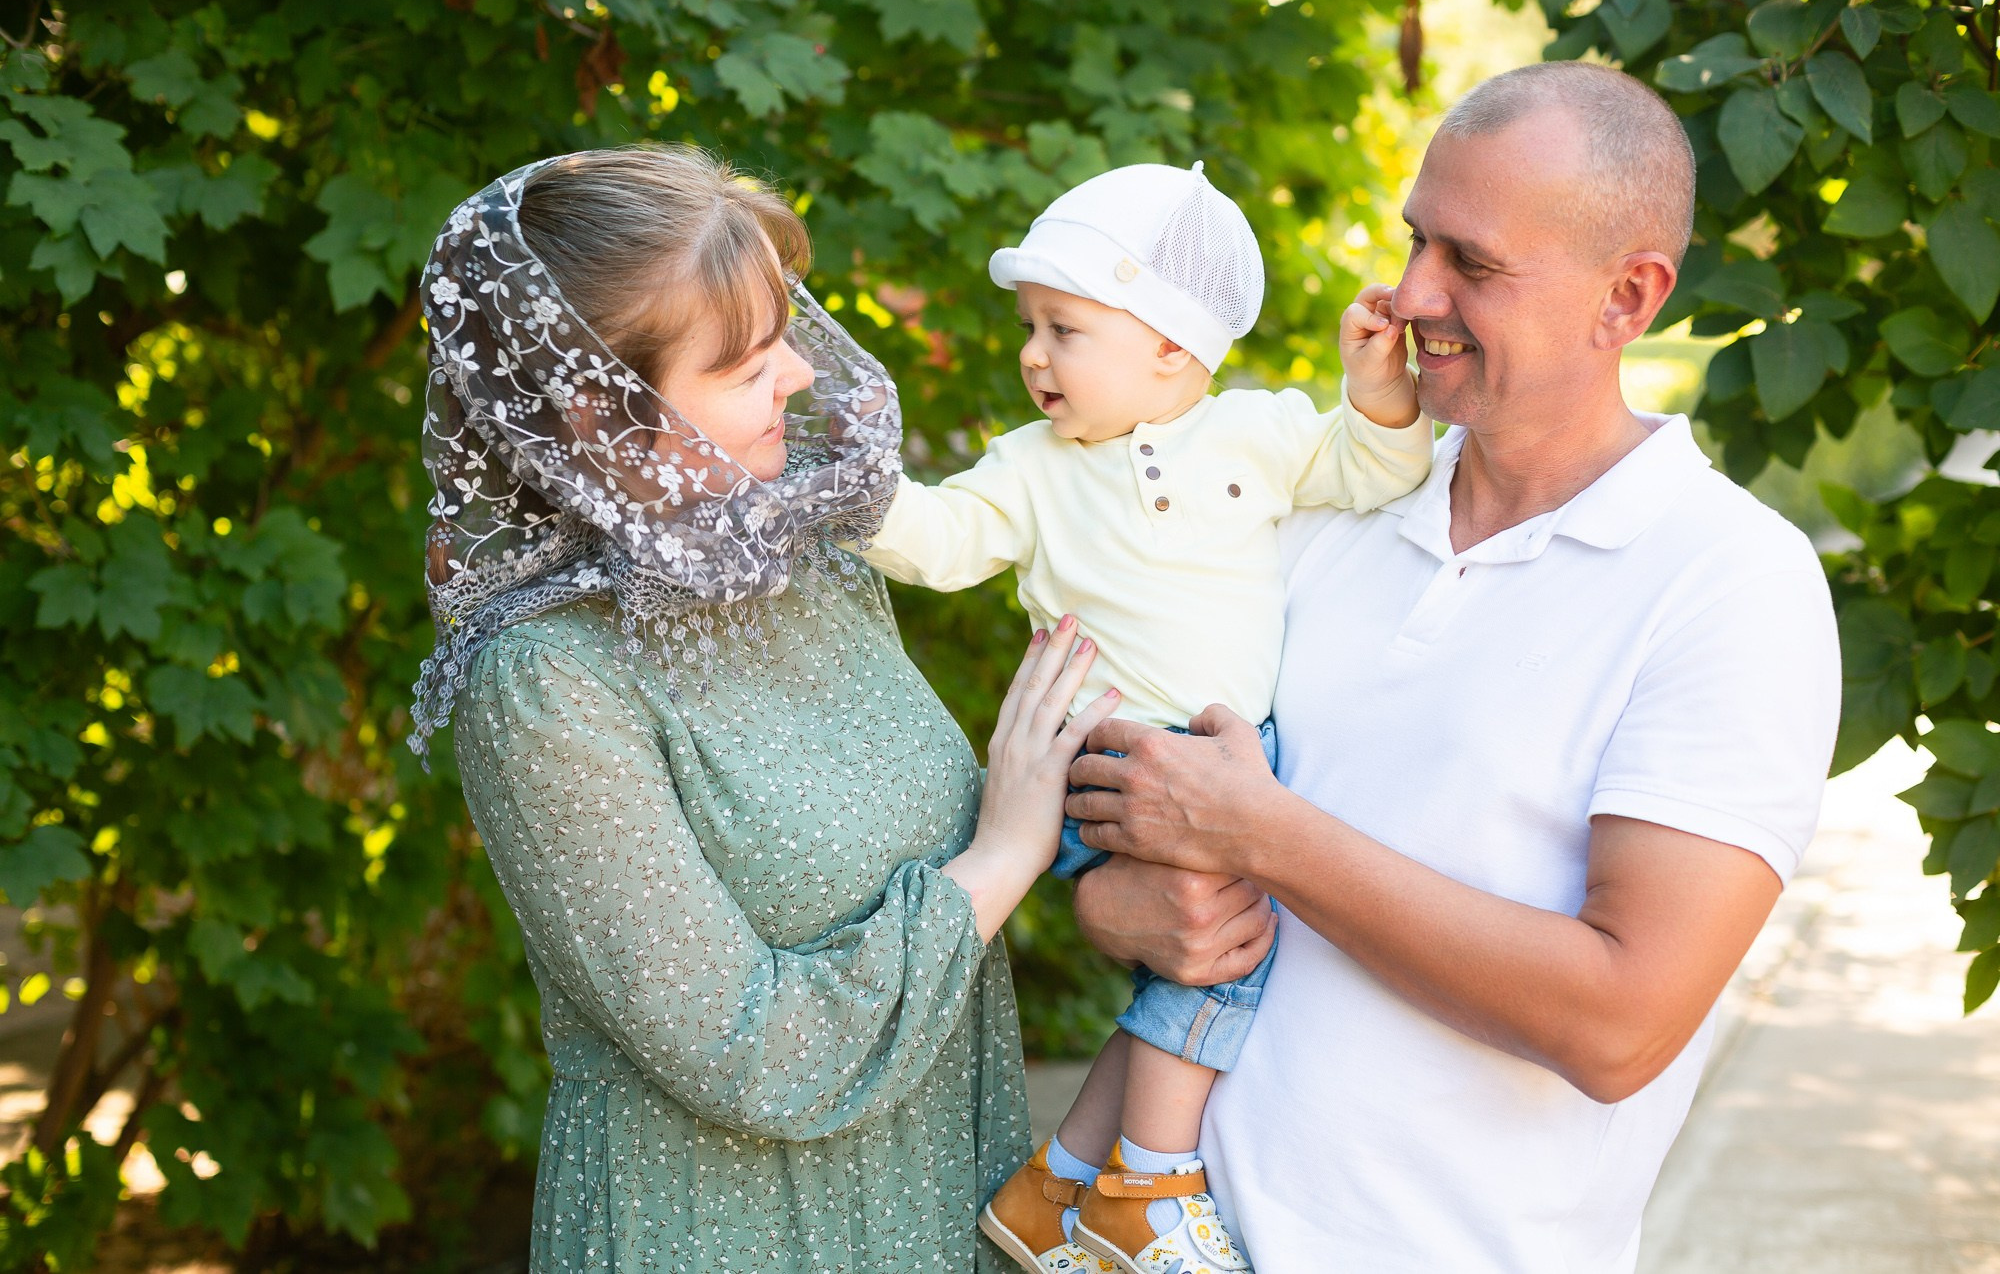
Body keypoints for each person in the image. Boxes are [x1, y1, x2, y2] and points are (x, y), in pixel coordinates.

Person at [1062, 62, 1843, 1272]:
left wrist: (1264, 836)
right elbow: (1143, 813)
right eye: (1416, 239)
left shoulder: (1730, 582)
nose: (1413, 290)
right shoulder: (1323, 499)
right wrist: (1112, 905)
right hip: (1150, 1240)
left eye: (1471, 264)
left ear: (1623, 299)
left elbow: (1619, 1023)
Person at [409, 146, 1119, 1272]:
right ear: (595, 417)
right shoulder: (546, 684)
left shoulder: (815, 571)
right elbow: (757, 1052)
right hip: (719, 1232)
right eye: (745, 365)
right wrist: (1006, 854)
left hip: (933, 1207)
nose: (795, 374)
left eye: (786, 333)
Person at [858, 161, 1433, 1273]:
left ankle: (1059, 1181)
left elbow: (1372, 470)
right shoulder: (1027, 470)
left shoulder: (1260, 432)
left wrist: (1376, 390)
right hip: (1120, 761)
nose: (1031, 354)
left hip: (1221, 760)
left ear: (1170, 345)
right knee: (1222, 957)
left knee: (1195, 960)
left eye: (1063, 328)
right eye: (1029, 326)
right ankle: (1151, 1188)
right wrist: (849, 494)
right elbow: (937, 543)